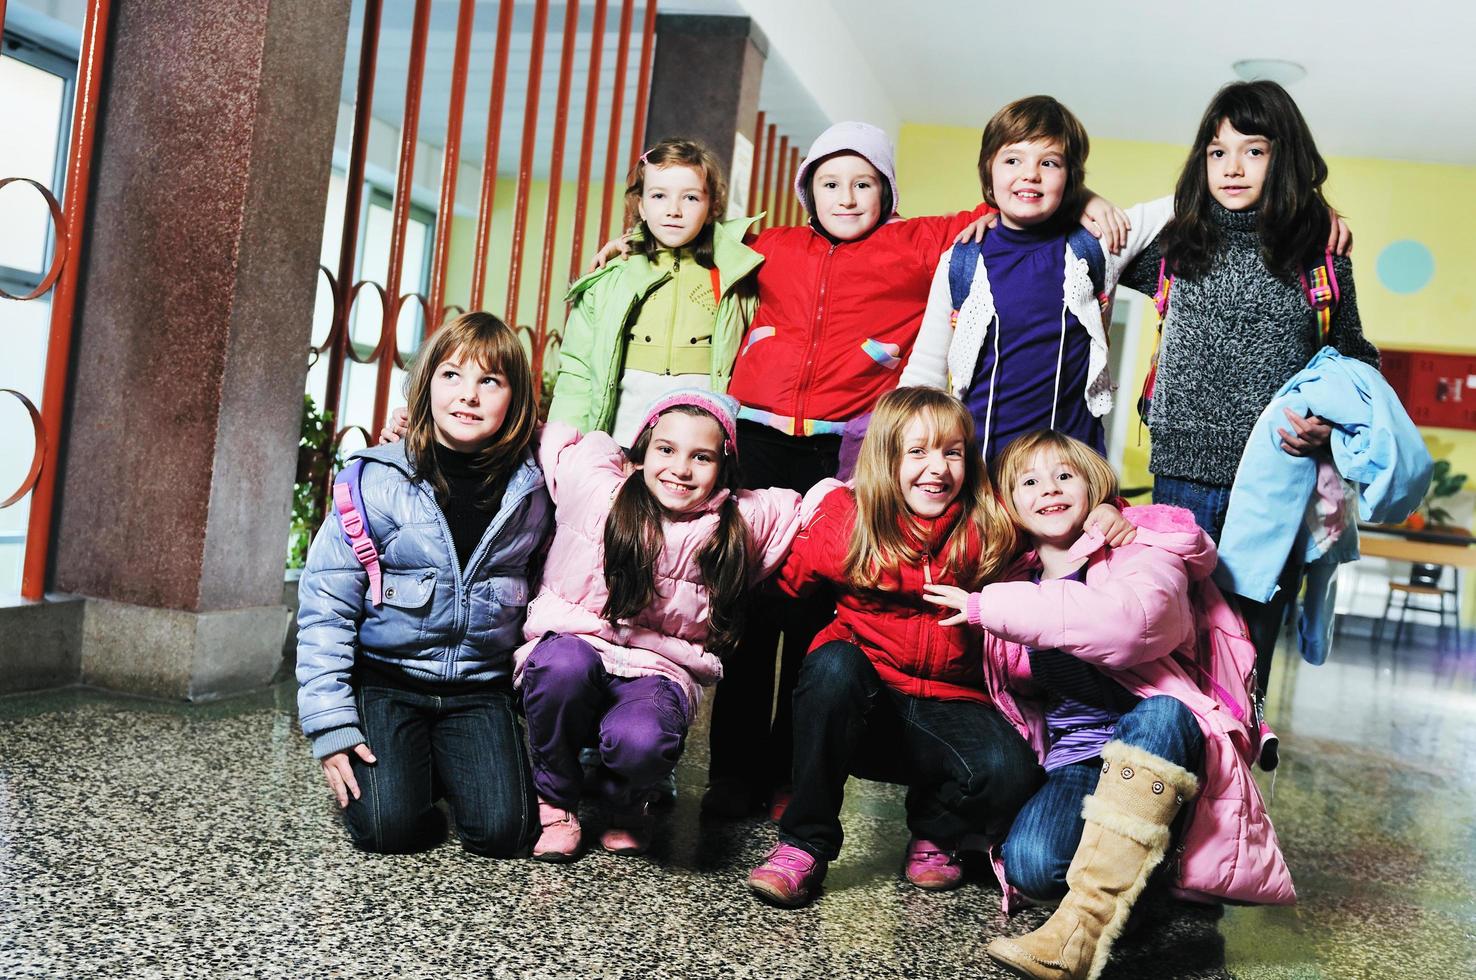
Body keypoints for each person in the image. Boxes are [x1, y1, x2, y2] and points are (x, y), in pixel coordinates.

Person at [926, 430, 1294, 980]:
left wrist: (990, 607)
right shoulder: (1011, 579)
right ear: (1008, 503)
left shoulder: (1142, 546)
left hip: (1162, 740)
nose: (1048, 489)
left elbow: (1129, 628)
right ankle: (1150, 872)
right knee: (1032, 866)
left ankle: (1077, 936)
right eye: (1028, 481)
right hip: (1079, 758)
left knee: (1163, 714)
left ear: (1092, 485)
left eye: (1064, 476)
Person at [745, 388, 1133, 909]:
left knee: (1012, 772)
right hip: (866, 699)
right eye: (918, 452)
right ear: (886, 459)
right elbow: (781, 583)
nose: (937, 468)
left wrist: (1110, 510)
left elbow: (1052, 504)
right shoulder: (846, 519)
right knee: (831, 667)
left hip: (952, 703)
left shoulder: (992, 519)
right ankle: (803, 845)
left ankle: (936, 829)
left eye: (952, 452)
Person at [1119, 80, 1379, 769]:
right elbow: (1088, 239)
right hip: (1180, 476)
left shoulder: (1320, 257)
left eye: (1253, 150)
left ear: (1282, 157)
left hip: (1277, 483)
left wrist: (1326, 420)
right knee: (1167, 650)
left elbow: (1357, 359)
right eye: (1216, 151)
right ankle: (1154, 806)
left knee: (1242, 659)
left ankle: (1224, 818)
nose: (1231, 168)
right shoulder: (1174, 244)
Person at [296, 312, 551, 856]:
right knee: (390, 828)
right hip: (388, 680)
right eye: (452, 376)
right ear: (426, 384)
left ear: (516, 399)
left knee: (505, 833)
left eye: (491, 381)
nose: (469, 396)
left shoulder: (533, 492)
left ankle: (438, 763)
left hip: (478, 688)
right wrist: (332, 727)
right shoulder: (379, 480)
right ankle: (410, 773)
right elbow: (326, 606)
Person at [517, 389, 802, 861]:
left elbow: (817, 507)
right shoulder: (597, 487)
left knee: (641, 738)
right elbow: (546, 440)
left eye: (701, 457)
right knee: (558, 669)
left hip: (660, 667)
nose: (681, 469)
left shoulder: (741, 521)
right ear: (643, 450)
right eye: (666, 450)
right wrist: (415, 427)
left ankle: (628, 802)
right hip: (577, 640)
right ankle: (556, 802)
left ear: (724, 466)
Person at [900, 96, 1172, 461]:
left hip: (1073, 478)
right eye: (1013, 160)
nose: (1030, 174)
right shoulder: (960, 261)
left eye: (1049, 163)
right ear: (988, 171)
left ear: (1070, 176)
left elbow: (1186, 199)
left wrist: (1084, 197)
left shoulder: (1098, 243)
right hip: (981, 479)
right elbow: (923, 376)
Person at [549, 138, 762, 446]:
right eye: (659, 195)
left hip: (699, 440)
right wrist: (563, 447)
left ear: (711, 205)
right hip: (620, 436)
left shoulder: (736, 276)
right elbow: (577, 371)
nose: (674, 210)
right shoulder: (610, 279)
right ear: (641, 206)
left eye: (690, 198)